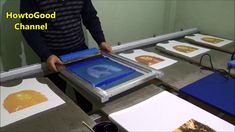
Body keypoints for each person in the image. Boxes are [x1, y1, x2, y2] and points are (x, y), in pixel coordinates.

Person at [20, 0, 112, 112]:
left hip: (80, 52)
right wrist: (46, 55)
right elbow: (29, 28)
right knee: (56, 100)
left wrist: (101, 40)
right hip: (53, 57)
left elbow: (90, 17)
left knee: (85, 97)